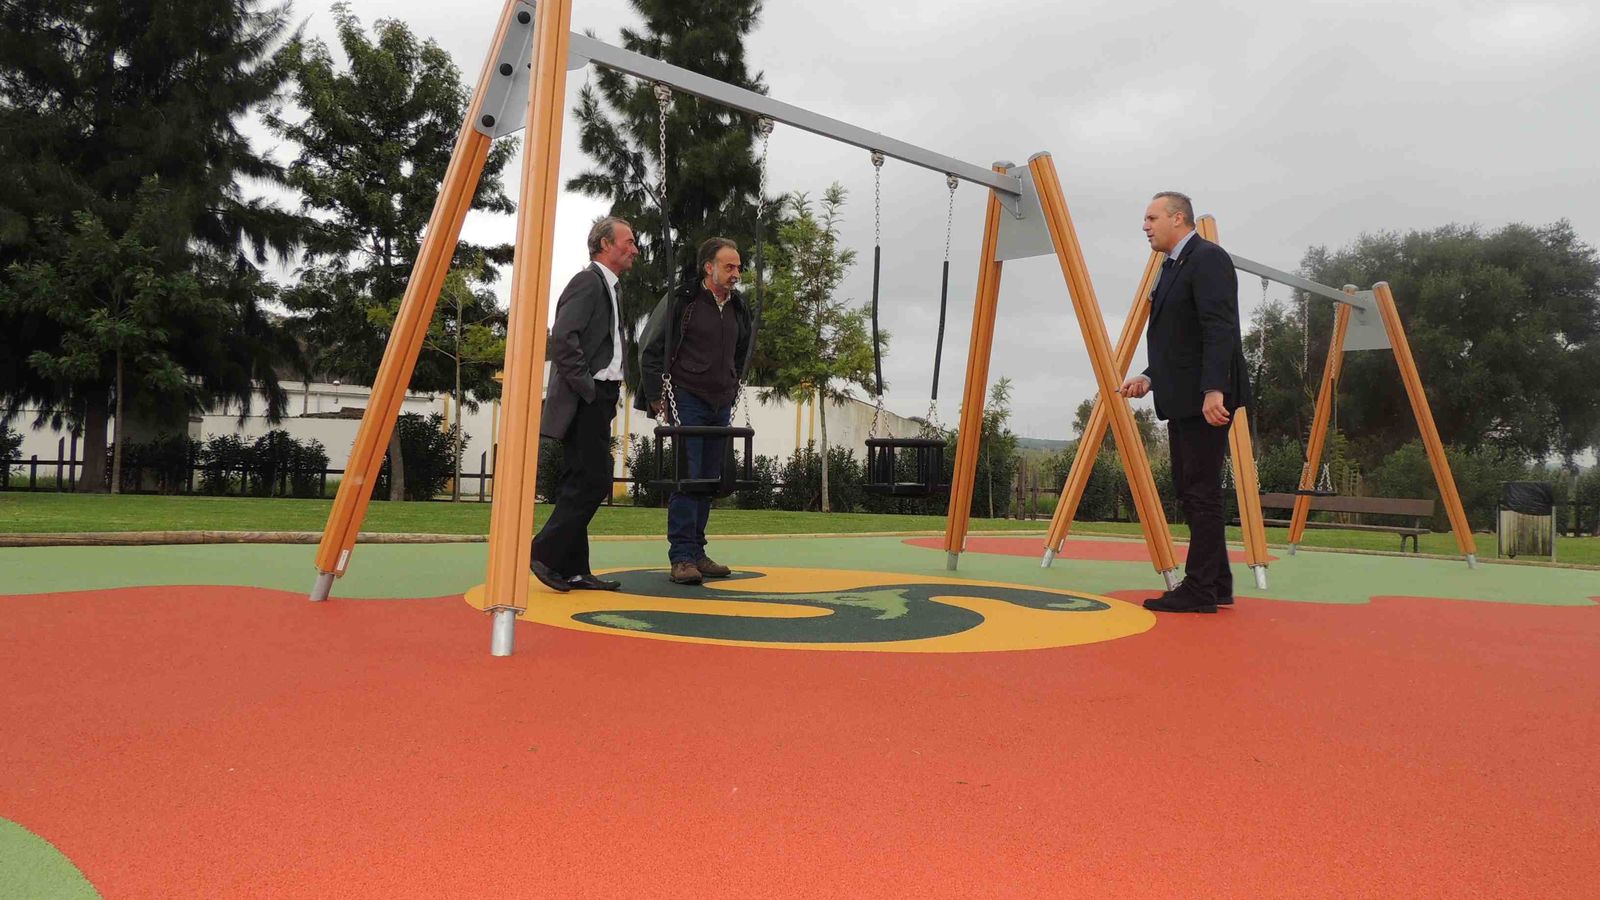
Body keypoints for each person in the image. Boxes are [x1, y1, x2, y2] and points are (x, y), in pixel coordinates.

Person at [1119, 192, 1252, 613]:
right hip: (1185, 395)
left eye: (1151, 217)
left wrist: (1215, 389)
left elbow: (1219, 328)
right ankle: (1218, 582)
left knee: (1200, 490)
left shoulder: (1208, 258)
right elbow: (1181, 340)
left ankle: (1199, 589)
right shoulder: (1171, 264)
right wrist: (1150, 376)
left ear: (1178, 219)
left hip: (1205, 398)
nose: (1145, 225)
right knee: (1191, 487)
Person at [530, 216, 639, 593]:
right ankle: (543, 552)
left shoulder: (611, 288)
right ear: (605, 244)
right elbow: (562, 338)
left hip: (599, 395)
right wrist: (587, 388)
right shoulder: (587, 282)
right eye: (629, 241)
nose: (635, 248)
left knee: (581, 479)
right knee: (593, 479)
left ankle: (574, 569)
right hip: (587, 396)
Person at [636, 237, 752, 585]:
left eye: (738, 267)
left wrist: (733, 384)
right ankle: (682, 557)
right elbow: (650, 348)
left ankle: (698, 552)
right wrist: (658, 395)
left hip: (720, 401)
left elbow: (741, 350)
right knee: (688, 476)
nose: (736, 273)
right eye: (729, 266)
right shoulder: (682, 301)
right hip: (686, 396)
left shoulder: (737, 307)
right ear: (709, 267)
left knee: (711, 479)